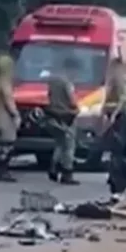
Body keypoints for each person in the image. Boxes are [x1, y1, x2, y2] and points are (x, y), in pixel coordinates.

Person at [45, 56, 81, 184]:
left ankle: (53, 168)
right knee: (69, 146)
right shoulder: (67, 82)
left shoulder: (52, 80)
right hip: (67, 116)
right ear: (71, 69)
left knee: (59, 144)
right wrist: (77, 108)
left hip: (54, 115)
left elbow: (49, 96)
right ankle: (67, 173)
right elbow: (72, 100)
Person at [0, 54, 21, 182]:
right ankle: (4, 171)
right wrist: (15, 114)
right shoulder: (4, 83)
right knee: (7, 145)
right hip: (4, 118)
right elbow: (8, 100)